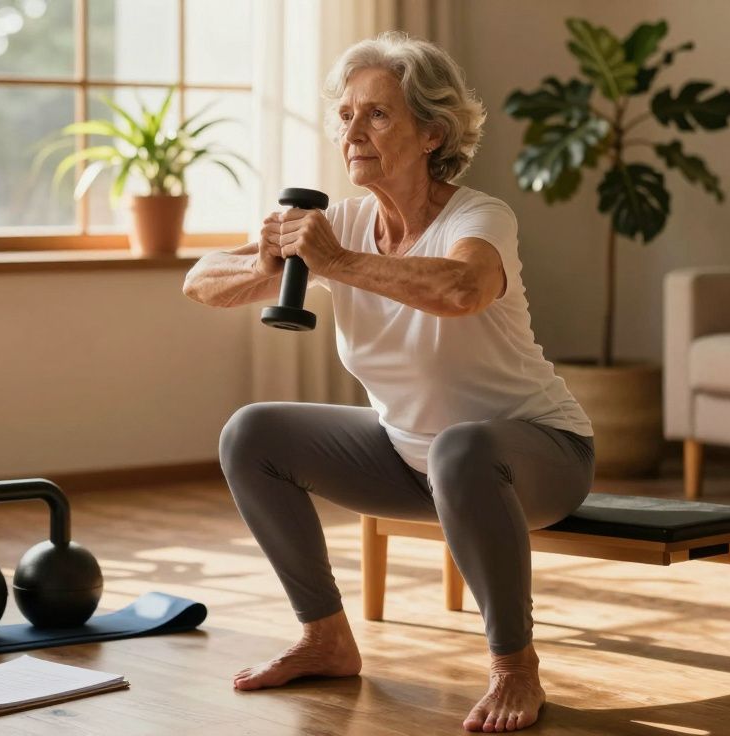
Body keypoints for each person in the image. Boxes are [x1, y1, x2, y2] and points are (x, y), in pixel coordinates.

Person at [181, 31, 594, 733]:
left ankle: (515, 667)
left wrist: (334, 263)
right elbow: (199, 281)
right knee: (252, 433)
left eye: (376, 114)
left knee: (461, 449)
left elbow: (462, 288)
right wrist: (268, 262)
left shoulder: (479, 216)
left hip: (536, 455)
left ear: (432, 132)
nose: (353, 131)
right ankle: (325, 638)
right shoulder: (337, 224)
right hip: (407, 457)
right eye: (345, 115)